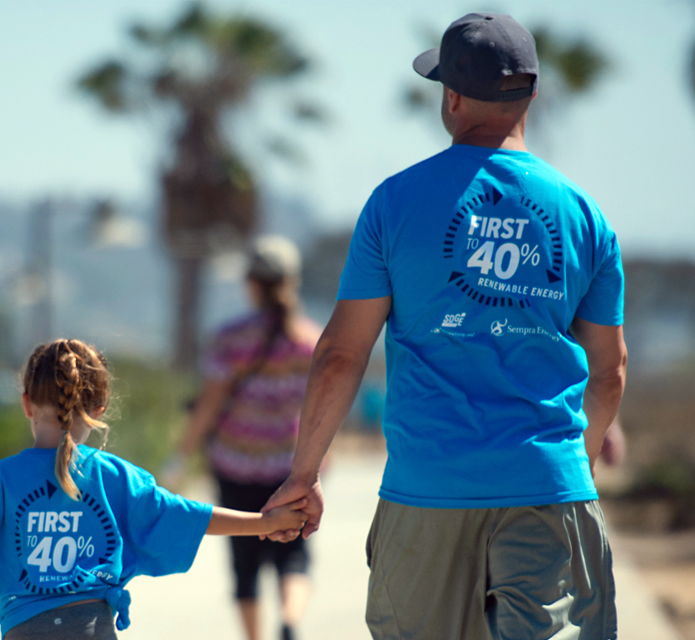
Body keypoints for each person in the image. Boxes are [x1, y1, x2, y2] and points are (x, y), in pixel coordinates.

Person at [263, 13, 627, 640]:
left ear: (452, 97)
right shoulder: (585, 216)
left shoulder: (395, 203)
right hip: (546, 487)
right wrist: (579, 463)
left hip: (426, 491)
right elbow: (610, 371)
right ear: (532, 94)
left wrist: (304, 475)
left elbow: (341, 355)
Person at [0, 339, 309, 639]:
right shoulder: (116, 477)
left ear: (27, 403)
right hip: (95, 628)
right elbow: (186, 514)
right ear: (100, 408)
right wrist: (263, 523)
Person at [168, 236, 321, 640]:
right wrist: (322, 458)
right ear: (292, 282)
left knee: (245, 562)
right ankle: (289, 622)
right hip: (288, 466)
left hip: (235, 464)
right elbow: (322, 408)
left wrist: (180, 457)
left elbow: (209, 405)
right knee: (295, 556)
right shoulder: (309, 340)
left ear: (251, 283)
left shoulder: (231, 337)